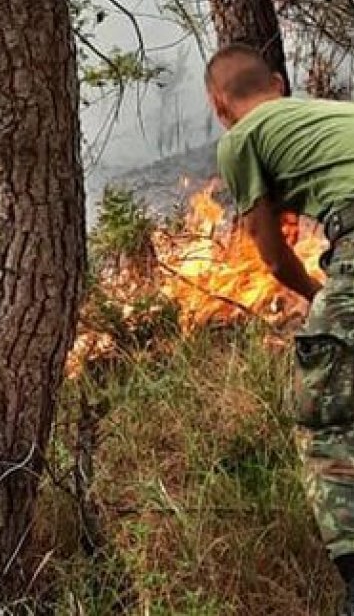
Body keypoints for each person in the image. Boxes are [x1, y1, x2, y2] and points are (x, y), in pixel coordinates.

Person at [206, 43, 354, 614]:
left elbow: (270, 254)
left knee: (324, 412)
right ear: (277, 81)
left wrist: (319, 299)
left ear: (221, 105)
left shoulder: (239, 140)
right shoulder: (328, 113)